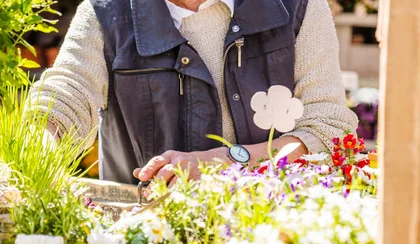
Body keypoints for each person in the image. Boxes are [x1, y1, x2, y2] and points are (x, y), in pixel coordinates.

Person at [30, 0, 358, 184]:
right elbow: (65, 96)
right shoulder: (107, 12)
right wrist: (34, 149)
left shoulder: (297, 7)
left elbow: (328, 132)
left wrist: (227, 161)